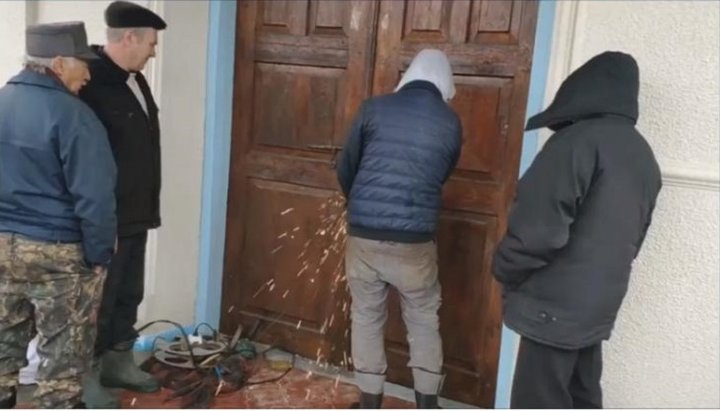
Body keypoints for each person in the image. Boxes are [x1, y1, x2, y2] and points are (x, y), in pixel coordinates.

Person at [492, 51, 662, 409]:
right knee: (583, 395)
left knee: (538, 401)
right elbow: (635, 239)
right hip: (597, 304)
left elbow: (538, 232)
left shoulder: (574, 143)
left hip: (553, 306)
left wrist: (504, 267)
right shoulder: (643, 155)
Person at [337, 49, 462, 409]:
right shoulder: (450, 122)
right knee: (423, 316)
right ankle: (427, 402)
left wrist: (359, 206)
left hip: (365, 234)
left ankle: (369, 400)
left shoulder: (374, 108)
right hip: (416, 239)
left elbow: (347, 165)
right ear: (443, 82)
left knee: (366, 314)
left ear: (409, 75)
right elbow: (441, 174)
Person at [0, 22, 117, 409]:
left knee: (2, 345)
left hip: (2, 247)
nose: (88, 73)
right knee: (62, 364)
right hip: (58, 254)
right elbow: (96, 197)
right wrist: (99, 256)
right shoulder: (75, 116)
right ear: (58, 63)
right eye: (82, 63)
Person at [77, 1, 166, 407]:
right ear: (128, 37)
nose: (153, 50)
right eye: (150, 42)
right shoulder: (88, 84)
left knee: (128, 293)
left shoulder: (135, 79)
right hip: (105, 220)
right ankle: (87, 376)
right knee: (100, 300)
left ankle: (118, 362)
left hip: (137, 215)